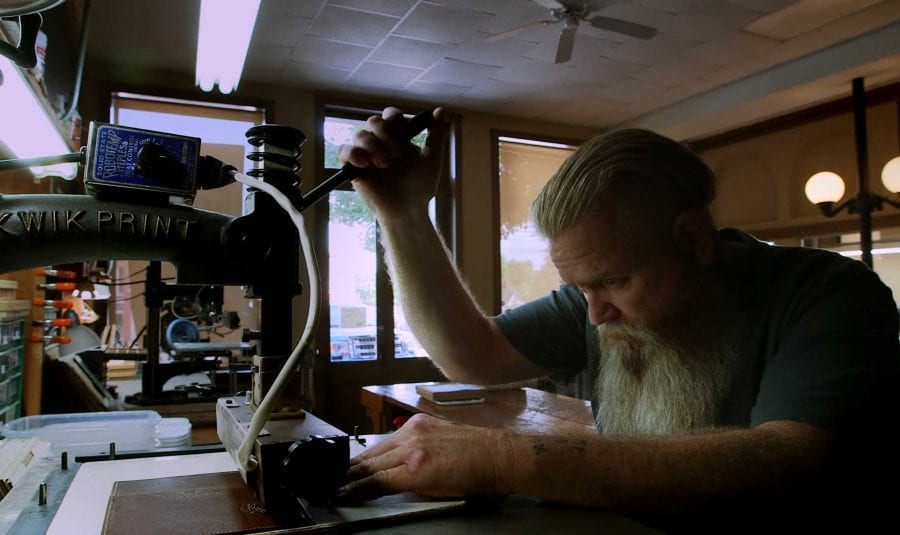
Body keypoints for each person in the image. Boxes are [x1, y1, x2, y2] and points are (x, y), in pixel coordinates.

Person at [336, 107, 900, 531]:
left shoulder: (827, 294)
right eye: (579, 288)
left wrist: (506, 458)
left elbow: (788, 459)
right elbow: (472, 356)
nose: (595, 313)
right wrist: (403, 212)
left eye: (613, 280)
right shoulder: (601, 302)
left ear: (692, 238)